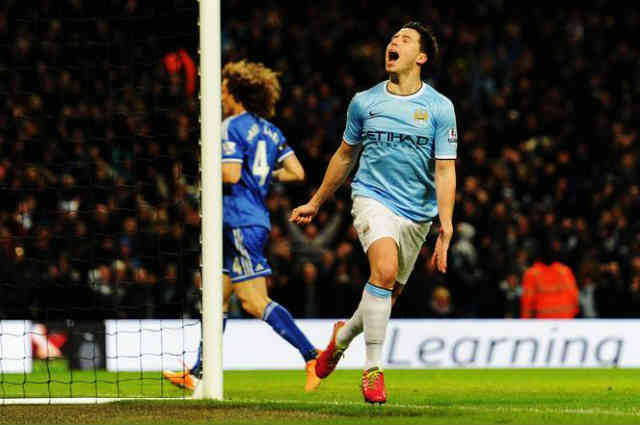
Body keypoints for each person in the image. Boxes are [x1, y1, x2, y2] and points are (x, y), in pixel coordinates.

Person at [290, 22, 457, 404]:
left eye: (405, 39)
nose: (394, 43)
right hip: (372, 196)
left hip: (418, 212)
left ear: (421, 57)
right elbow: (346, 155)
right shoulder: (365, 101)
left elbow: (445, 169)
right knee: (381, 272)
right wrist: (317, 201)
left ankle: (341, 338)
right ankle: (372, 371)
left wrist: (445, 226)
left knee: (385, 295)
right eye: (393, 38)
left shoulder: (439, 108)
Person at [163, 60, 322, 392]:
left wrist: (208, 168)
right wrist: (262, 176)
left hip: (239, 220)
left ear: (236, 93)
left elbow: (231, 175)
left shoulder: (229, 126)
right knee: (216, 298)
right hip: (250, 219)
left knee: (253, 302)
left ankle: (312, 355)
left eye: (223, 90)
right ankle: (198, 372)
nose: (220, 95)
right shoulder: (271, 130)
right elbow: (297, 172)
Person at [520, 232, 579, 319]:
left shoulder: (531, 274)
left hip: (546, 324)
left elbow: (527, 308)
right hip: (565, 323)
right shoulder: (565, 271)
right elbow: (575, 301)